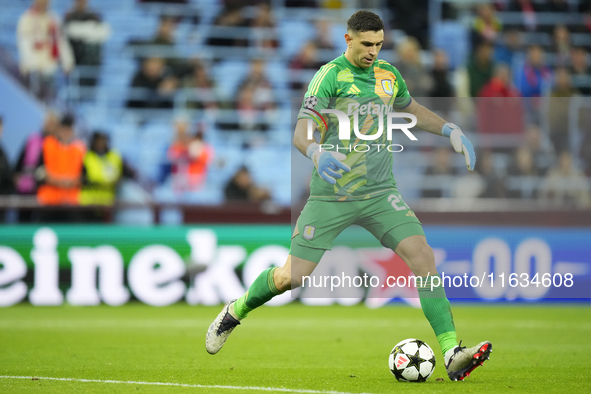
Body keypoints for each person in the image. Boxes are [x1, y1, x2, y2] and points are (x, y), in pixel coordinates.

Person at [206, 11, 491, 382]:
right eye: (367, 44)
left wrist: (449, 129)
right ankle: (235, 311)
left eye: (379, 44)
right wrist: (316, 153)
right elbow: (300, 134)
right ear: (348, 40)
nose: (373, 51)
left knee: (422, 255)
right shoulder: (329, 76)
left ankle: (452, 351)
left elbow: (410, 109)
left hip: (379, 193)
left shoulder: (389, 75)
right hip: (331, 196)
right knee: (291, 278)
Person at [17, 0, 75, 102]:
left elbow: (61, 41)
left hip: (50, 68)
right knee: (34, 101)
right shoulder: (27, 19)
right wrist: (30, 64)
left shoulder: (54, 19)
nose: (44, 3)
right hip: (34, 69)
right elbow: (24, 45)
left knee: (51, 101)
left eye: (46, 1)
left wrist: (67, 62)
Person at [63, 0, 110, 87]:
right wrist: (89, 30)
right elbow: (69, 32)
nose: (81, 3)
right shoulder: (69, 16)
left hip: (92, 63)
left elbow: (104, 33)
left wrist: (80, 32)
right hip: (75, 62)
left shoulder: (94, 15)